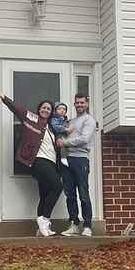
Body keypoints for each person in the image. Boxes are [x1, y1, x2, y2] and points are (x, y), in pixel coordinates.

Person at [0, 91, 64, 237]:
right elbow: (18, 109)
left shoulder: (52, 128)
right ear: (39, 109)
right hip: (38, 161)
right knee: (58, 186)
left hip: (51, 163)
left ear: (51, 112)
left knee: (45, 193)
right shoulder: (32, 118)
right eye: (43, 107)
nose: (45, 110)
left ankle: (41, 229)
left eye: (48, 109)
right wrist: (3, 97)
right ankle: (44, 219)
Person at [57, 93, 97, 237]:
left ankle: (87, 226)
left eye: (82, 103)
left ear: (87, 104)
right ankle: (74, 224)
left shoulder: (89, 120)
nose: (79, 105)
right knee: (70, 195)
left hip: (80, 159)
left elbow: (84, 139)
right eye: (77, 103)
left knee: (83, 194)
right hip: (66, 160)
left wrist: (65, 142)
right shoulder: (71, 121)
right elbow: (62, 135)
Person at [49, 103, 70, 168]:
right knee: (62, 143)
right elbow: (55, 127)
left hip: (64, 134)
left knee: (67, 144)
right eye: (59, 109)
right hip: (58, 135)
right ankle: (63, 158)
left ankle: (65, 157)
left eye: (64, 109)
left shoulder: (65, 119)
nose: (62, 110)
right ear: (55, 111)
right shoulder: (54, 118)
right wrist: (65, 129)